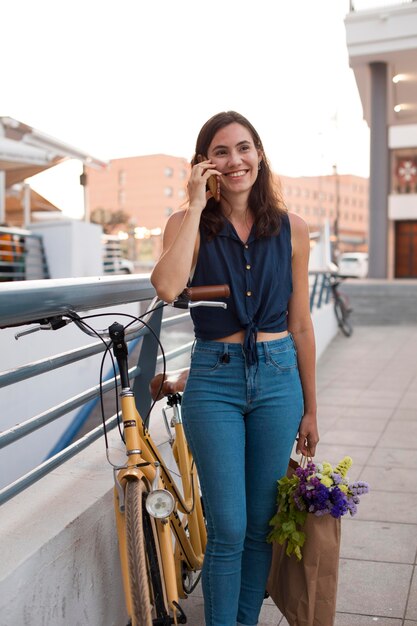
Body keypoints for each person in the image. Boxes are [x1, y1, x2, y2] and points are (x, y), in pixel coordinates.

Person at [151, 111, 319, 626]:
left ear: (260, 154)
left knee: (260, 524)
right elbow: (166, 286)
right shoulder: (186, 223)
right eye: (220, 152)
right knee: (228, 524)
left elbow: (302, 324)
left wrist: (312, 409)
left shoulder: (293, 229)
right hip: (215, 380)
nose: (234, 160)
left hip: (277, 377)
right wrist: (198, 203)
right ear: (204, 163)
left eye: (243, 148)